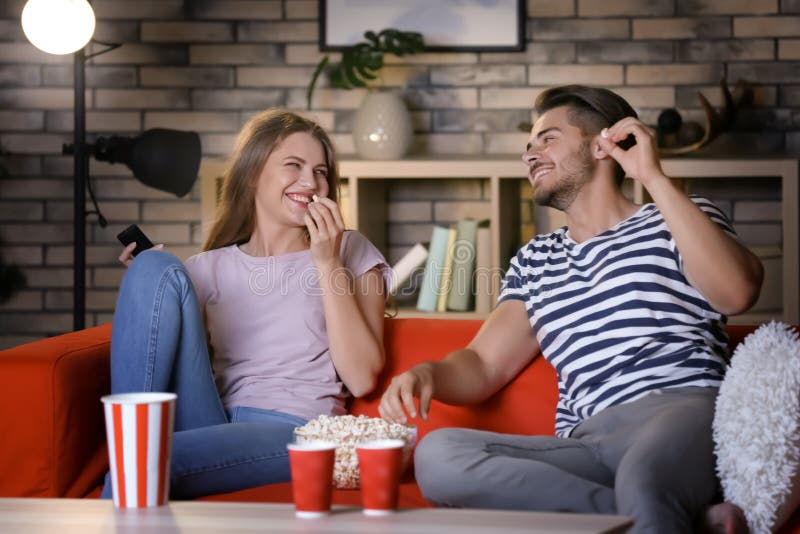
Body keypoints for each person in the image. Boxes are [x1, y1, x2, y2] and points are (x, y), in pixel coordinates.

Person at [378, 85, 762, 534]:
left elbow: (738, 293)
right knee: (438, 457)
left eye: (548, 138)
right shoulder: (535, 260)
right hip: (588, 441)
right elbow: (483, 364)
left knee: (645, 476)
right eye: (528, 146)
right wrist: (428, 373)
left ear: (605, 143)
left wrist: (654, 177)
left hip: (680, 411)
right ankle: (682, 522)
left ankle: (651, 509)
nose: (531, 155)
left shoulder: (680, 216)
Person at [102, 109, 391, 499]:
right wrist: (150, 278)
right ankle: (133, 439)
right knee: (155, 265)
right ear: (253, 174)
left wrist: (326, 261)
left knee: (145, 463)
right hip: (209, 418)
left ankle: (134, 455)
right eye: (294, 165)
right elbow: (167, 354)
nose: (311, 182)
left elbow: (361, 377)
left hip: (295, 428)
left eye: (321, 171)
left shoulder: (349, 251)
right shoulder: (210, 267)